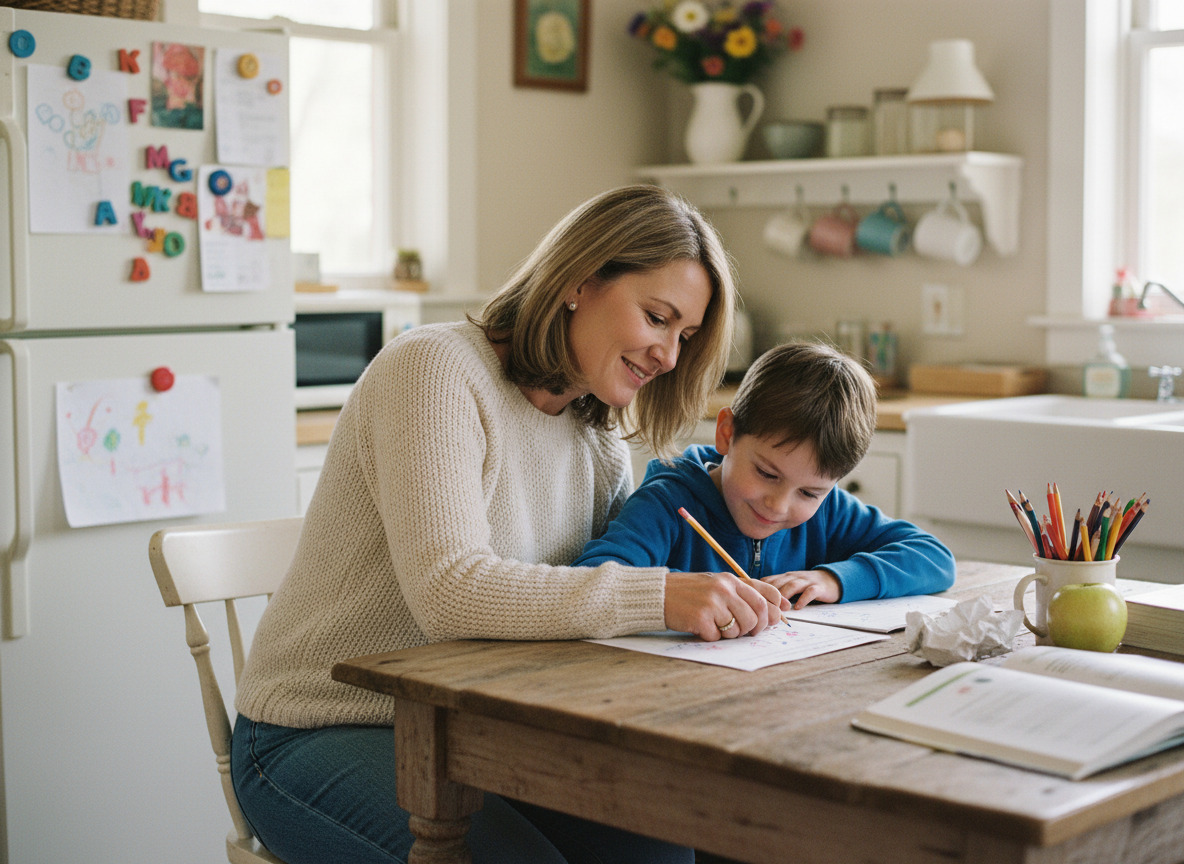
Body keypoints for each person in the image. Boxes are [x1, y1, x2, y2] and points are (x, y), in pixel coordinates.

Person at [230, 184, 787, 864]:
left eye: (685, 337)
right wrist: (661, 595)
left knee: (666, 846)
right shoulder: (434, 370)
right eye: (656, 318)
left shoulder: (598, 441)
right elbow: (449, 594)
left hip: (475, 732)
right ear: (580, 281)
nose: (669, 355)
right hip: (319, 726)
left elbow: (584, 605)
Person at [574, 341, 956, 612]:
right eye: (767, 473)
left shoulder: (828, 512)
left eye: (809, 492)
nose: (778, 505)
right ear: (727, 434)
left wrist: (835, 580)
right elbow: (589, 579)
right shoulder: (668, 502)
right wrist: (677, 593)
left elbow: (934, 558)